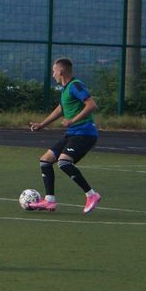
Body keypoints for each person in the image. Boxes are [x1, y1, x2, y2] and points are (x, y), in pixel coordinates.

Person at [26, 57, 102, 214]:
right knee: (45, 161)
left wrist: (72, 120)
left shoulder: (75, 85)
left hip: (85, 133)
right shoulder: (65, 89)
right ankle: (49, 201)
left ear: (61, 71)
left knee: (63, 163)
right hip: (73, 133)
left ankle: (91, 195)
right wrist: (42, 124)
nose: (53, 74)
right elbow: (60, 109)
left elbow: (91, 104)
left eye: (54, 71)